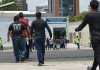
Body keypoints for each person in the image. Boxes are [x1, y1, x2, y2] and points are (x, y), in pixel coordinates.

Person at [75, 0, 100, 70]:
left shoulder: (89, 15)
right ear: (98, 6)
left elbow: (82, 25)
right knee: (98, 53)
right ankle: (93, 68)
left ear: (90, 6)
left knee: (98, 54)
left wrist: (77, 29)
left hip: (95, 38)